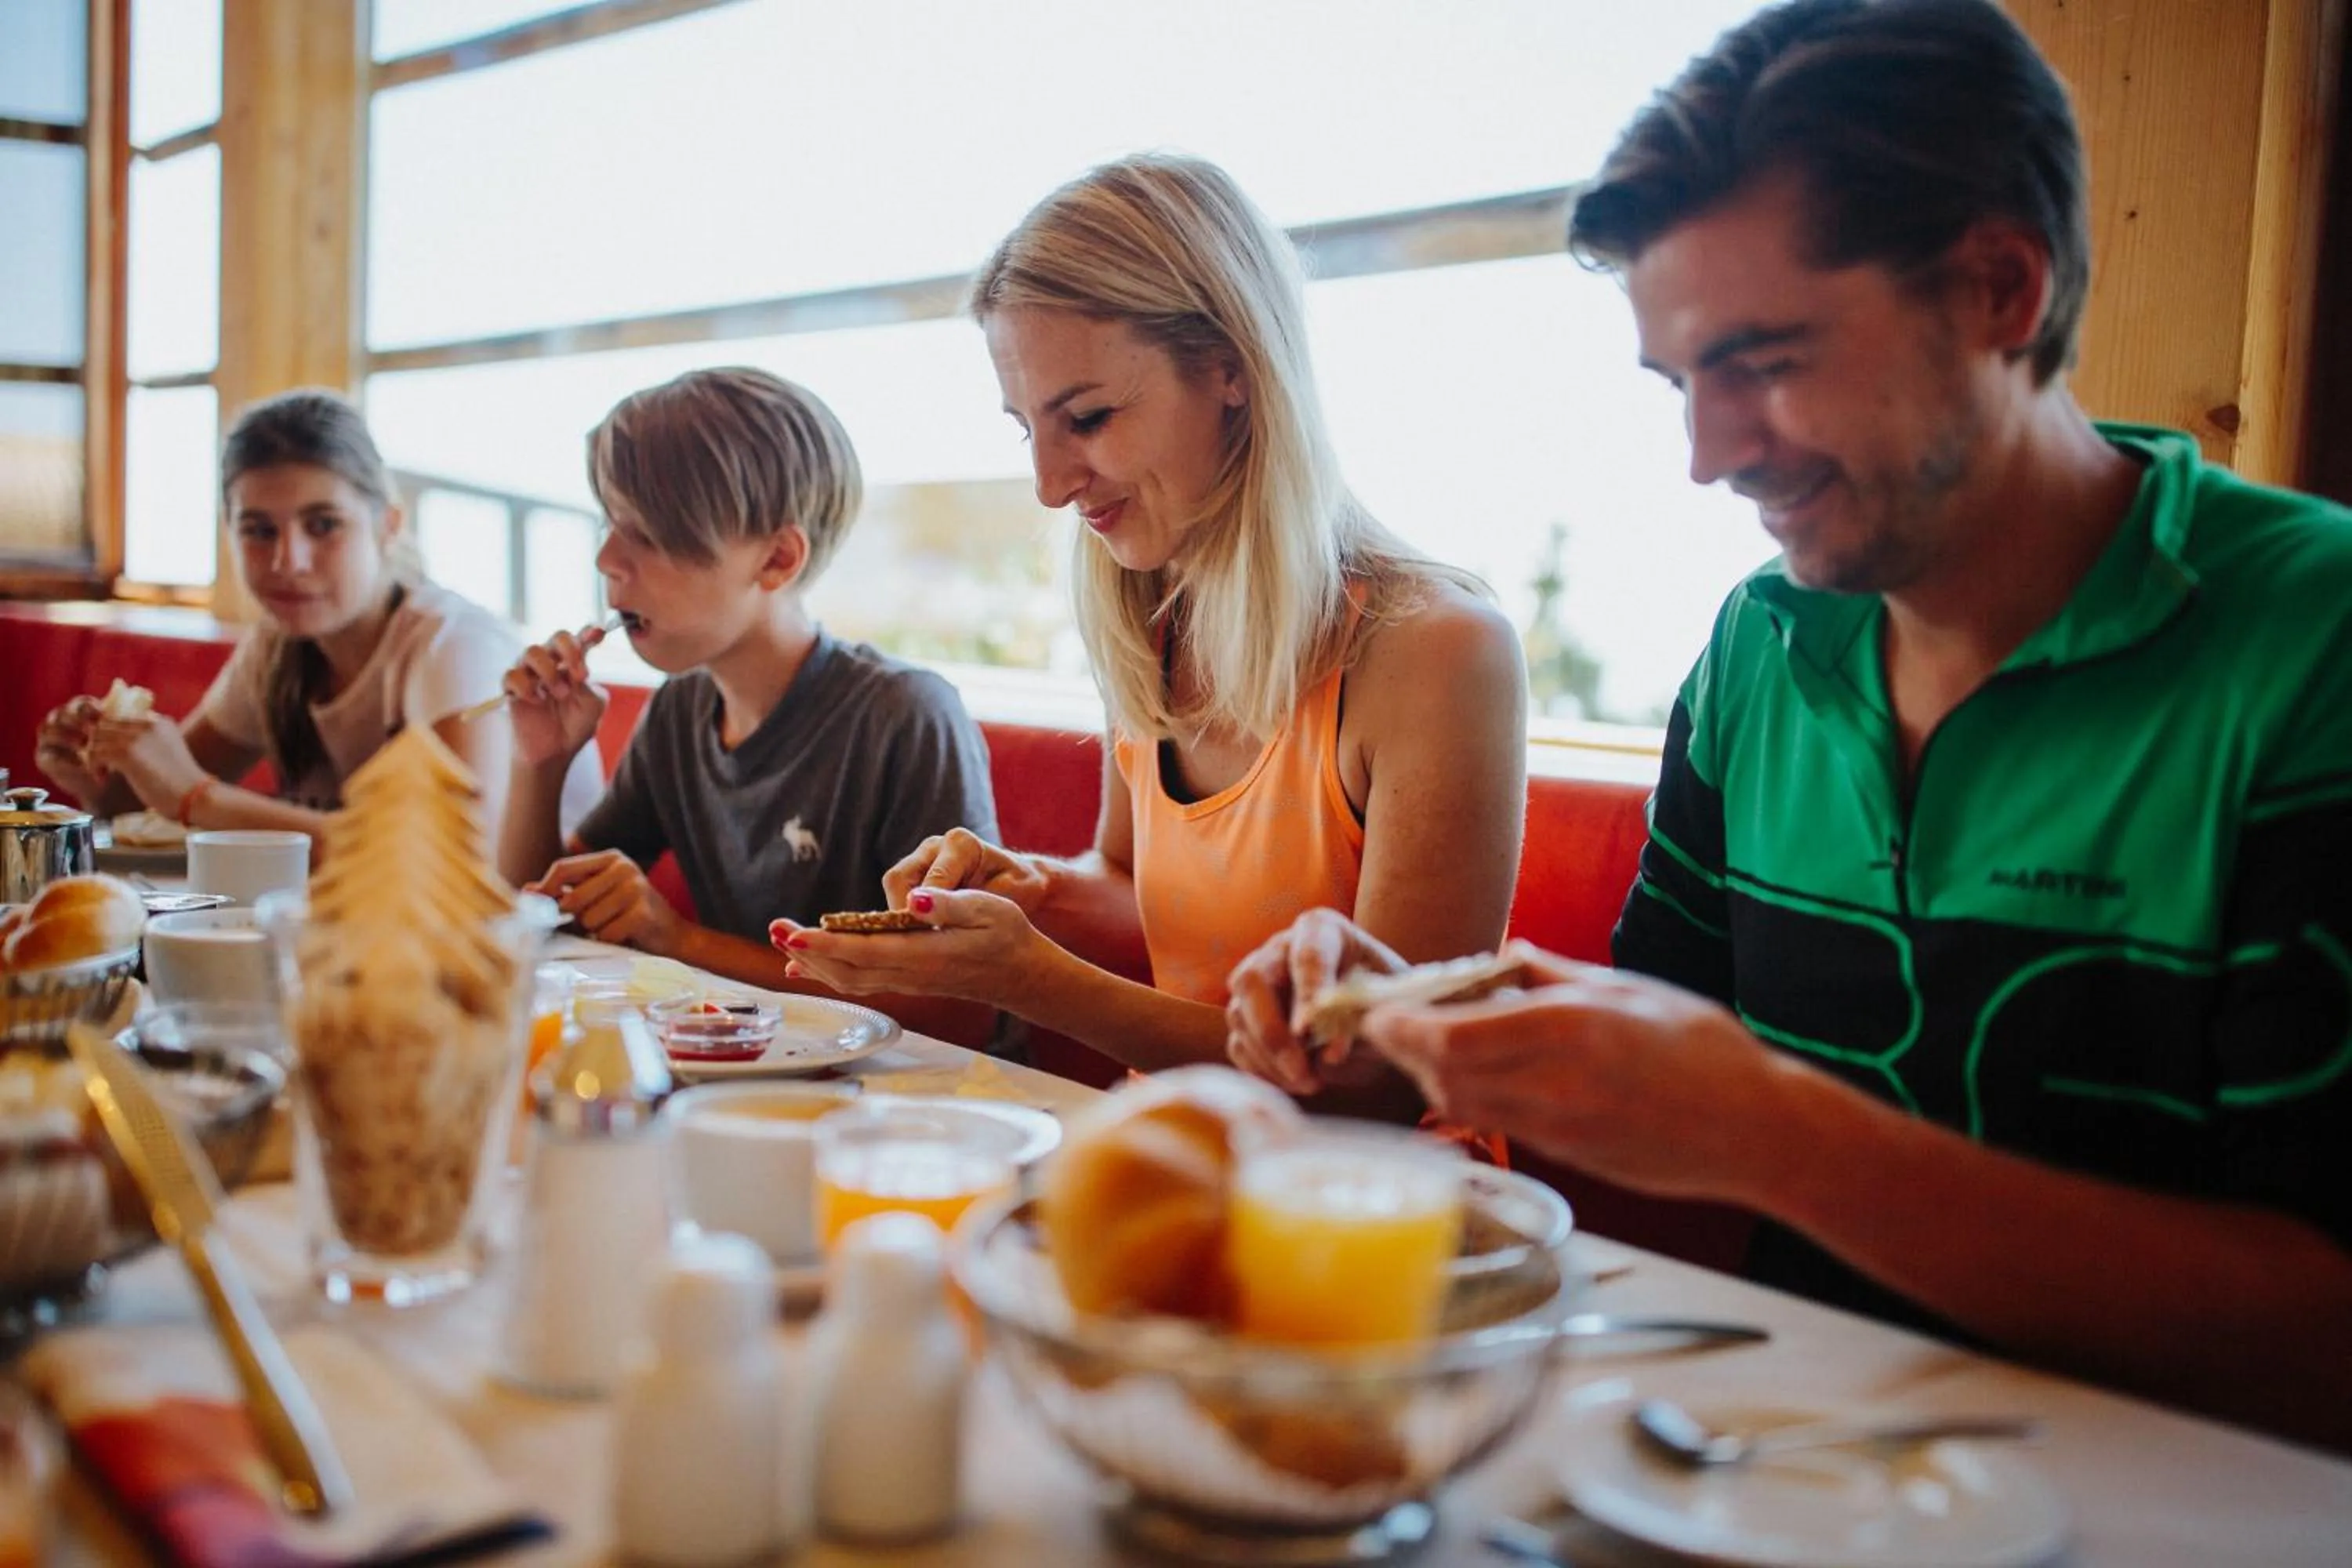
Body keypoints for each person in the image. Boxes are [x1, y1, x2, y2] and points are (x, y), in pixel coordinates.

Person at [1225, 0, 2352, 1450]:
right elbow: (1661, 1059)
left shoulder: (2311, 642)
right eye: (1682, 385)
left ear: (2001, 291)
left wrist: (1773, 1133)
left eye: (1764, 363)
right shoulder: (1761, 645)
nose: (1709, 456)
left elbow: (2325, 1337)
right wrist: (1397, 1031)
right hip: (1793, 1461)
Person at [770, 154, 1526, 1094]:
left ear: (1231, 369)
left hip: (1363, 1179)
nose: (1050, 485)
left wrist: (1027, 977)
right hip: (1170, 1146)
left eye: (1087, 418)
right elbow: (1139, 894)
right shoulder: (1150, 617)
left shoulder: (1440, 649)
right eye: (1028, 430)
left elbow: (1386, 1079)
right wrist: (1030, 890)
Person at [496, 367, 998, 1045]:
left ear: (778, 559)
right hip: (756, 1068)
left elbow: (962, 1004)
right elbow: (534, 922)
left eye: (649, 533)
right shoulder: (680, 711)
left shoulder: (902, 716)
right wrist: (541, 764)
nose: (607, 557)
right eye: (612, 523)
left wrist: (677, 939)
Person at [35, 389, 599, 848]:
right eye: (259, 531)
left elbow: (453, 856)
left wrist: (198, 798)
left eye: (323, 525)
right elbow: (145, 803)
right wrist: (98, 776)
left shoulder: (453, 642)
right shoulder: (277, 647)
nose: (288, 561)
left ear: (387, 525)